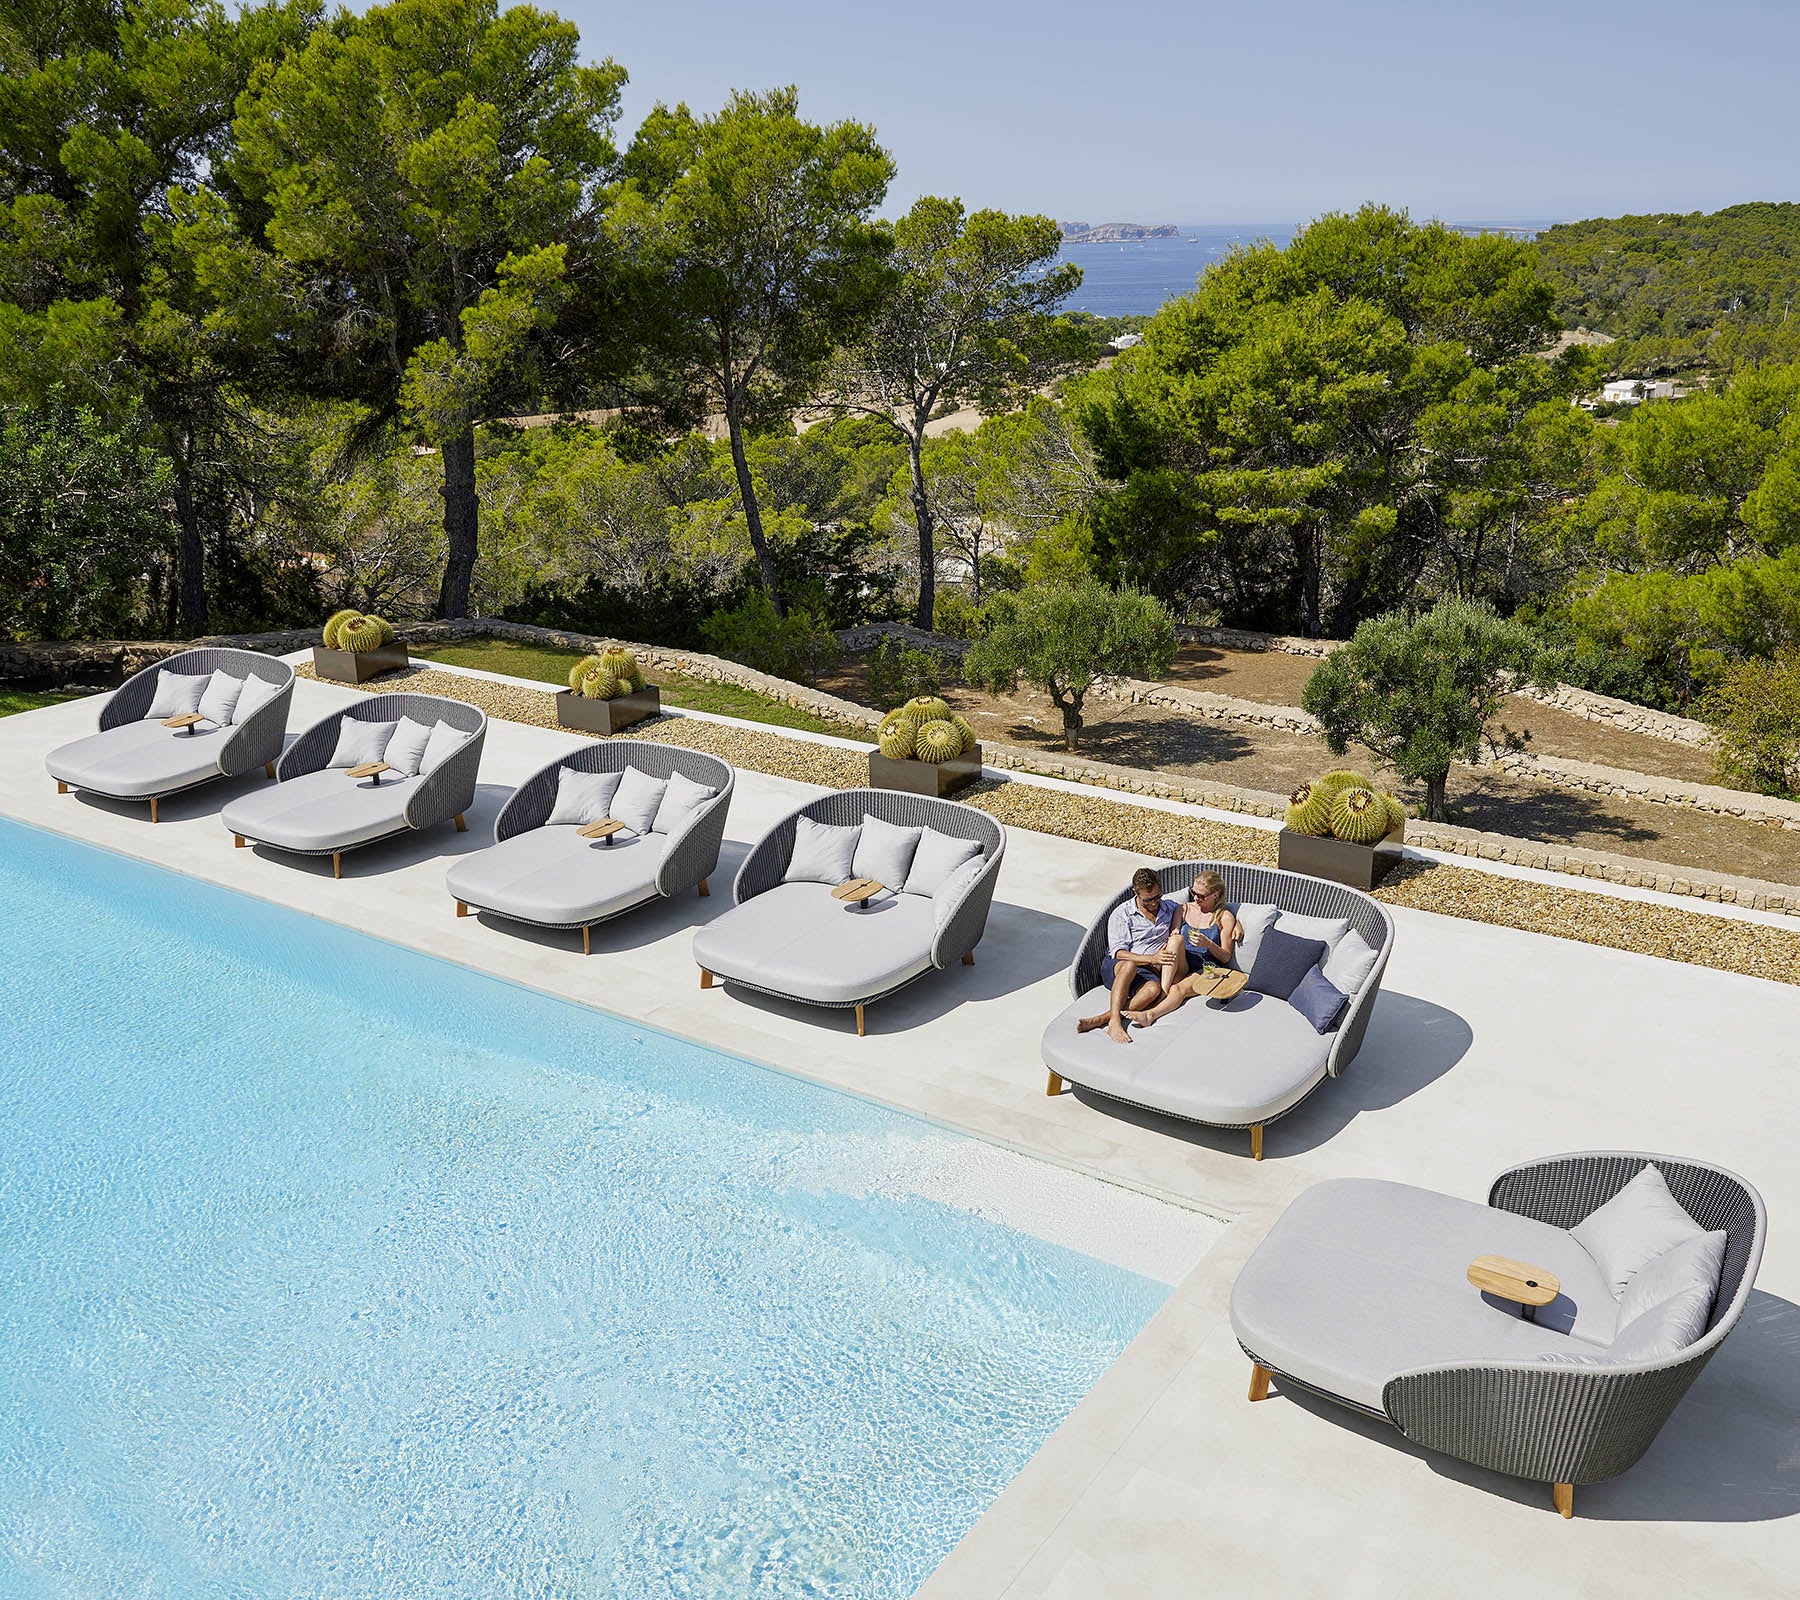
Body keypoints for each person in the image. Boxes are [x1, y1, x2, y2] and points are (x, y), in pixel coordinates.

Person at [1077, 866, 1183, 1044]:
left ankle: (1102, 1019)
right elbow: (1118, 952)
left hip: (1147, 972)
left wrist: (1231, 922)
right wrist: (1152, 958)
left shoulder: (1169, 907)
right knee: (1130, 965)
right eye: (1148, 900)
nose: (1155, 903)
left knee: (1153, 989)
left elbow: (1192, 908)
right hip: (1120, 966)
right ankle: (1115, 1022)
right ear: (1136, 892)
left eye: (1158, 896)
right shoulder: (1122, 914)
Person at [1127, 871, 1240, 1028]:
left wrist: (1208, 944)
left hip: (1206, 969)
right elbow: (1173, 938)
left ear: (1215, 895)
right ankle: (1163, 992)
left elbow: (1226, 957)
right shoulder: (1183, 909)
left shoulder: (1224, 917)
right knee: (1176, 938)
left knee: (1178, 989)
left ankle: (1150, 1014)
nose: (1196, 898)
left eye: (1202, 896)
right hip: (1182, 964)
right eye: (1194, 893)